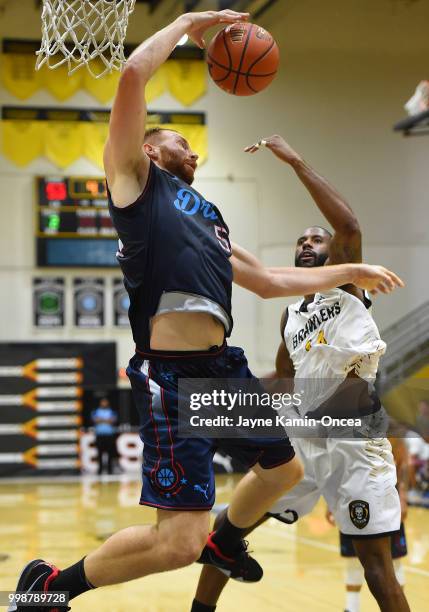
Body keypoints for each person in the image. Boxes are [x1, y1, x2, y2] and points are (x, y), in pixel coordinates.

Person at [8, 13, 403, 612]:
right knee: (175, 543)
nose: (192, 150)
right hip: (172, 377)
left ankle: (222, 547)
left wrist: (349, 272)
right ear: (147, 146)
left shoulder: (209, 216)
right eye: (181, 141)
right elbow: (134, 73)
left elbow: (270, 281)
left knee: (282, 469)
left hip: (220, 368)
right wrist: (190, 23)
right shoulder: (135, 186)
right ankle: (48, 589)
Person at [191, 135, 410, 612]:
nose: (308, 244)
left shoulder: (348, 286)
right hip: (306, 432)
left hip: (354, 434)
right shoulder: (291, 314)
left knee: (377, 569)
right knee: (229, 530)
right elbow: (285, 377)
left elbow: (348, 223)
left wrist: (293, 160)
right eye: (301, 241)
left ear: (337, 253)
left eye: (317, 239)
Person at [325, 436, 409, 612]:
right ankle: (351, 608)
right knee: (355, 557)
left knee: (389, 562)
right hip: (350, 493)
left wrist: (402, 494)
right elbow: (335, 461)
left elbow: (402, 458)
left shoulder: (386, 418)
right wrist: (330, 498)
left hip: (382, 493)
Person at [91, 398, 118, 475]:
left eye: (105, 402)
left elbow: (112, 420)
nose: (104, 403)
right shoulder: (96, 411)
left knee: (110, 453)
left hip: (109, 435)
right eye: (103, 402)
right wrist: (106, 420)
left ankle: (110, 470)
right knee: (99, 453)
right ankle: (100, 470)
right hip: (99, 435)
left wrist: (101, 420)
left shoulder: (112, 411)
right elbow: (95, 420)